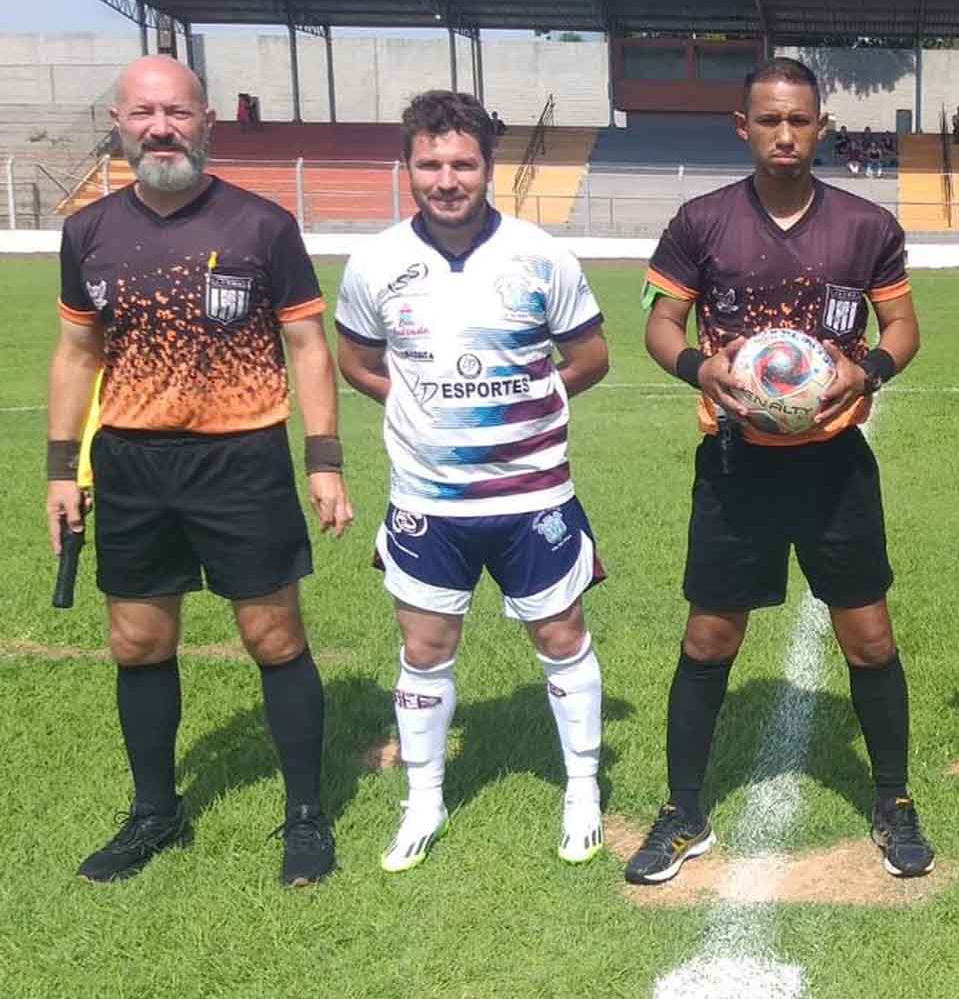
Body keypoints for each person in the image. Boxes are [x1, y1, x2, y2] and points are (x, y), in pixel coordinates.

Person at [46, 55, 353, 886]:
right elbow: (77, 354)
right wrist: (59, 470)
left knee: (273, 635)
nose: (160, 127)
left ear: (207, 119)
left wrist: (323, 461)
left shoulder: (261, 225)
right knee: (138, 641)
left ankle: (305, 813)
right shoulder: (89, 231)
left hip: (242, 459)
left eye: (176, 111)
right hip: (133, 463)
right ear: (118, 122)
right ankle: (156, 814)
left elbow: (307, 348)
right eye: (144, 113)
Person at [634, 56, 931, 884]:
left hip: (834, 465)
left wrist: (865, 370)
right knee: (709, 634)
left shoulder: (866, 226)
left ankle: (895, 802)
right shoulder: (702, 221)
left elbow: (902, 326)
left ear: (822, 127)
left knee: (868, 637)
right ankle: (684, 809)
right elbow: (662, 325)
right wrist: (700, 369)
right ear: (744, 127)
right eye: (769, 120)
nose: (785, 134)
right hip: (736, 467)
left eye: (800, 120)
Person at [333, 91, 612, 873]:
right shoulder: (375, 263)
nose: (446, 179)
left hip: (534, 497)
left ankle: (582, 788)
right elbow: (357, 361)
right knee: (425, 648)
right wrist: (416, 405)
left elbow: (590, 356)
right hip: (428, 501)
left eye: (462, 163)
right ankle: (423, 800)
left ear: (489, 166)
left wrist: (533, 400)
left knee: (561, 637)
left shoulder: (541, 256)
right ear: (408, 166)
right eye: (430, 164)